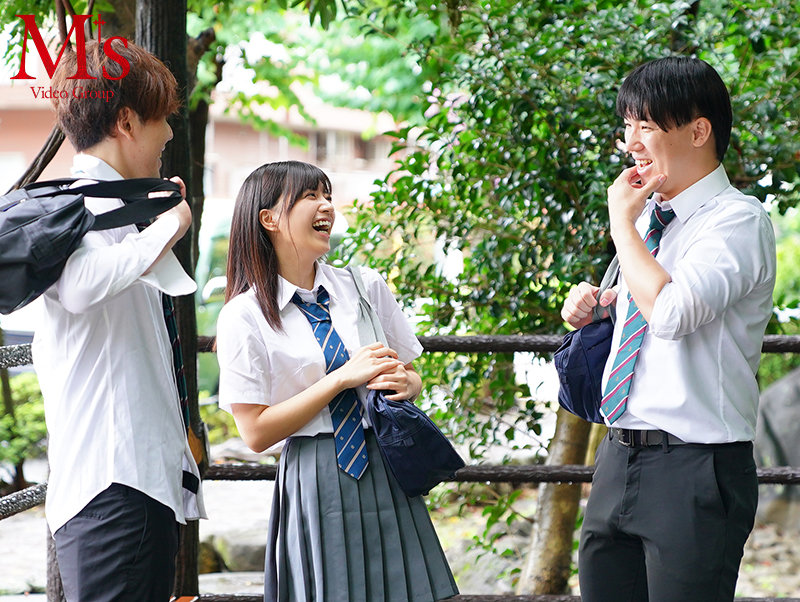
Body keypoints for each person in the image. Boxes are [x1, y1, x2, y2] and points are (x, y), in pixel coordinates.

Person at [561, 56, 776, 601]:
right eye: (627, 125)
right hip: (617, 454)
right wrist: (594, 308)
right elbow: (641, 315)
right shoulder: (648, 220)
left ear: (699, 131)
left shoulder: (737, 220)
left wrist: (620, 223)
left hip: (696, 463)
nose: (630, 142)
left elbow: (672, 314)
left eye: (646, 125)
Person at [215, 160, 458, 602]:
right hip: (315, 474)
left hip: (384, 461)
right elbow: (255, 432)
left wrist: (408, 384)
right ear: (269, 218)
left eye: (327, 195)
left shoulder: (364, 287)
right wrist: (340, 379)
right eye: (310, 196)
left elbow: (409, 374)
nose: (326, 205)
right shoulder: (243, 316)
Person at [32, 40, 205, 601]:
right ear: (127, 122)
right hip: (114, 491)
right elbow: (82, 287)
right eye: (161, 120)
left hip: (124, 489)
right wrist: (172, 223)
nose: (170, 134)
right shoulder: (80, 207)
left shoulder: (111, 208)